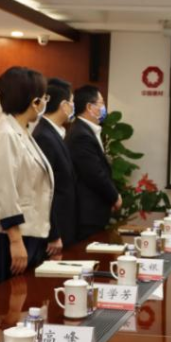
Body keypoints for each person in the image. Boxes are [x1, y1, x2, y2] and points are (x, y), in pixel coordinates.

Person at [0, 67, 54, 277]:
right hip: (15, 236)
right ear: (34, 102)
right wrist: (15, 240)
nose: (45, 103)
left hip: (32, 231)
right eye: (44, 98)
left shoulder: (22, 130)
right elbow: (3, 190)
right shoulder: (5, 133)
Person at [68, 85, 121, 241]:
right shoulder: (81, 134)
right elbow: (95, 174)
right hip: (87, 214)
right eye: (101, 103)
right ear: (89, 107)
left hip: (94, 211)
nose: (104, 108)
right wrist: (114, 196)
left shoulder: (86, 130)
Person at [34, 77, 79, 249]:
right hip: (54, 229)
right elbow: (44, 189)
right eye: (72, 102)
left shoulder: (54, 133)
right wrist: (53, 234)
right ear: (64, 105)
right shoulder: (44, 136)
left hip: (64, 222)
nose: (73, 106)